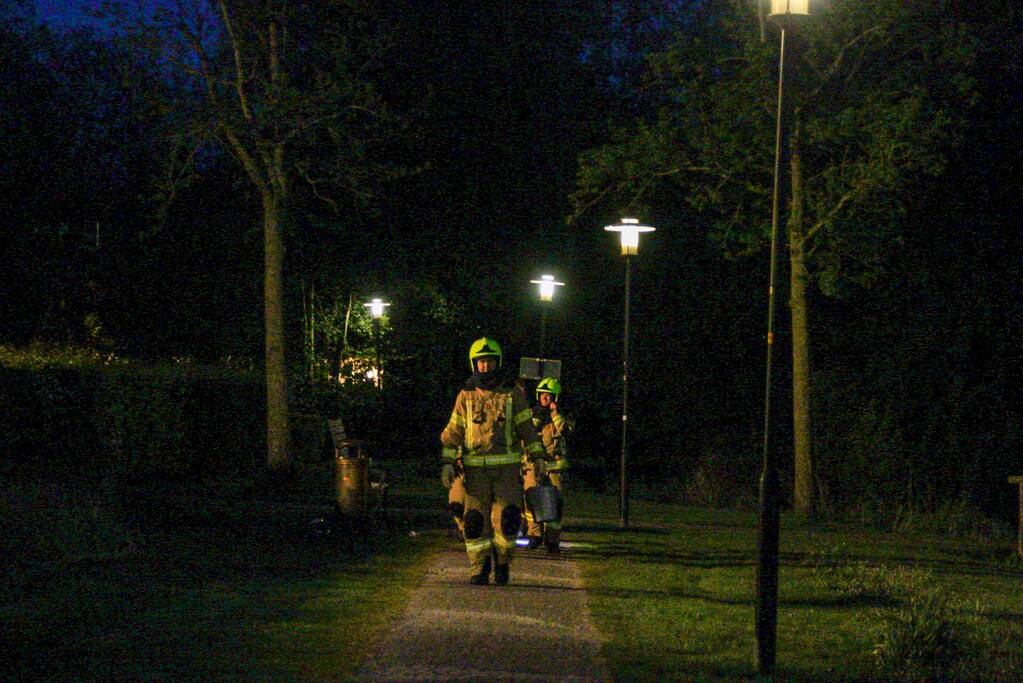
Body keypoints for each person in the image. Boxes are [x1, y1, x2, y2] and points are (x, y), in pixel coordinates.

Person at [440, 337, 547, 585]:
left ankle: (502, 563)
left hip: (506, 473)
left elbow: (527, 430)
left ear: (496, 363)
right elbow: (453, 432)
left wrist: (538, 456)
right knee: (475, 522)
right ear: (474, 364)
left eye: (489, 361)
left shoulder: (511, 395)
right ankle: (479, 567)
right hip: (474, 475)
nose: (485, 367)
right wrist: (446, 462)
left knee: (508, 520)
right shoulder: (465, 396)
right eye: (481, 362)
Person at [522, 377, 570, 552]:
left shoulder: (561, 416)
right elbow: (524, 434)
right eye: (542, 395)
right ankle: (534, 535)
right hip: (533, 467)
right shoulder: (530, 414)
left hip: (554, 469)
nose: (545, 398)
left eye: (549, 395)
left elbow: (565, 430)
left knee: (554, 505)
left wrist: (554, 414)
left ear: (556, 397)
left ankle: (552, 540)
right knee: (531, 502)